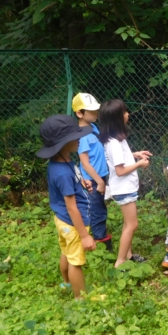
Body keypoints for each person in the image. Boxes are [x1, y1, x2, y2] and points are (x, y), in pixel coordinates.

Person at [36, 115, 96, 299]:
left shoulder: (63, 161)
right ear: (62, 143)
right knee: (76, 262)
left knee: (67, 252)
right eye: (75, 137)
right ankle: (80, 299)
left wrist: (82, 182)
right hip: (72, 222)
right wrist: (84, 235)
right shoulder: (62, 173)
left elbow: (69, 183)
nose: (79, 139)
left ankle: (67, 283)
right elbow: (72, 207)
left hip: (62, 220)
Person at [99, 99, 152, 268]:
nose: (127, 114)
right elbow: (120, 170)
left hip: (125, 187)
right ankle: (120, 262)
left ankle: (128, 255)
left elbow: (121, 159)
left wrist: (135, 154)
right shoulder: (114, 143)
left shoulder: (116, 139)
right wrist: (139, 164)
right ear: (117, 118)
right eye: (124, 112)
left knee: (128, 224)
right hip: (123, 188)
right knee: (133, 224)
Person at [72, 93, 112, 252]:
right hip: (93, 180)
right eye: (91, 111)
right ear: (79, 113)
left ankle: (99, 237)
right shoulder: (82, 135)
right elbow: (84, 162)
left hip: (100, 176)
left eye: (96, 110)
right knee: (96, 210)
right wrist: (100, 182)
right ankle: (100, 242)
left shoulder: (93, 127)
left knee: (100, 207)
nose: (96, 114)